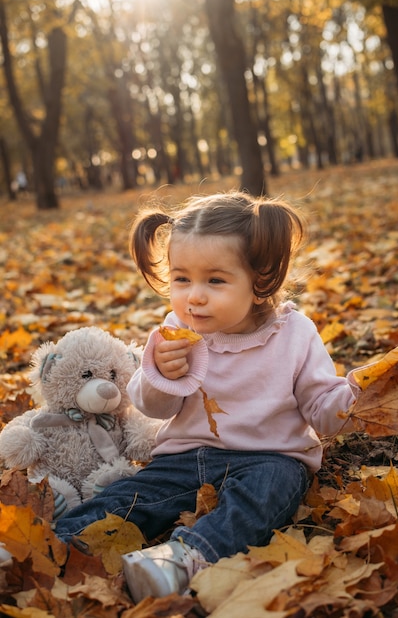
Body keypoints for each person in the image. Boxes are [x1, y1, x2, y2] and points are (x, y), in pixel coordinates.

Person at [54, 191, 358, 603]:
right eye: (182, 279)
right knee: (130, 497)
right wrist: (162, 373)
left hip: (269, 457)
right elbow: (152, 406)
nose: (194, 295)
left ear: (260, 280)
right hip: (185, 457)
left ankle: (186, 556)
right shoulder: (175, 330)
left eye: (215, 280)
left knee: (266, 495)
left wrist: (355, 398)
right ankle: (58, 543)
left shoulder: (294, 334)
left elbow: (322, 408)